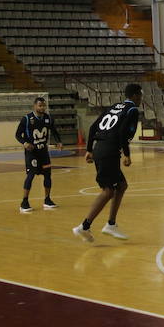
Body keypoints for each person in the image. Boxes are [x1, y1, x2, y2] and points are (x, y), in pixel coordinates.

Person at [72, 84, 141, 242]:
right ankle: (84, 226)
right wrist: (127, 154)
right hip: (109, 151)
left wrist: (89, 149)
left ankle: (111, 224)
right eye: (140, 96)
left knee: (121, 185)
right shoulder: (132, 110)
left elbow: (93, 126)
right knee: (108, 191)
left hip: (100, 149)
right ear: (136, 96)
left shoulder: (114, 106)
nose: (141, 99)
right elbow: (123, 132)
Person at [16, 97, 62, 213]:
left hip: (43, 153)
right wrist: (25, 143)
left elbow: (54, 131)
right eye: (40, 105)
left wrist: (58, 141)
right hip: (32, 153)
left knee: (48, 175)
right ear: (35, 106)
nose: (42, 108)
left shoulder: (48, 118)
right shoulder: (27, 119)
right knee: (30, 176)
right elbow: (17, 134)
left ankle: (47, 199)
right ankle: (24, 202)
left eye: (43, 105)